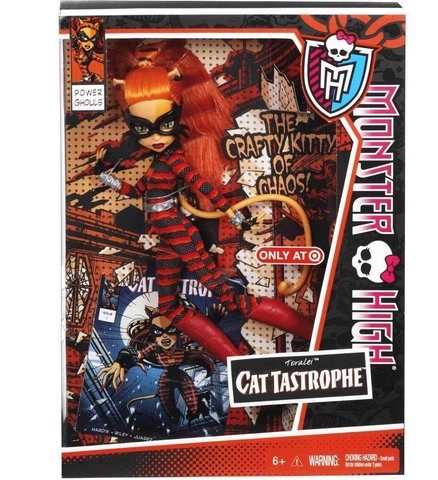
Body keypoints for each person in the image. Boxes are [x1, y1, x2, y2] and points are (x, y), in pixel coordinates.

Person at [97, 41, 313, 364]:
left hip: (181, 237)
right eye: (142, 128)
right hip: (167, 242)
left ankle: (313, 330)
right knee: (168, 307)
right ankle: (235, 363)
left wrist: (232, 213)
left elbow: (203, 185)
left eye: (165, 124)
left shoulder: (174, 160)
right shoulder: (158, 165)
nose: (155, 137)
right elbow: (137, 190)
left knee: (228, 296)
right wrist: (108, 178)